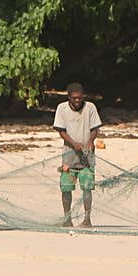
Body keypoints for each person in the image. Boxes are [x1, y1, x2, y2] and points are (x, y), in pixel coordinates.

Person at [53, 82, 102, 227]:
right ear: (68, 97)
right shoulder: (62, 108)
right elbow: (61, 131)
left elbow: (94, 128)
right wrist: (74, 144)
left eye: (79, 98)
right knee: (66, 187)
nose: (77, 101)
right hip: (69, 154)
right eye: (74, 98)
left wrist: (91, 141)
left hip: (87, 155)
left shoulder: (90, 108)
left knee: (87, 187)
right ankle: (67, 219)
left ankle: (87, 219)